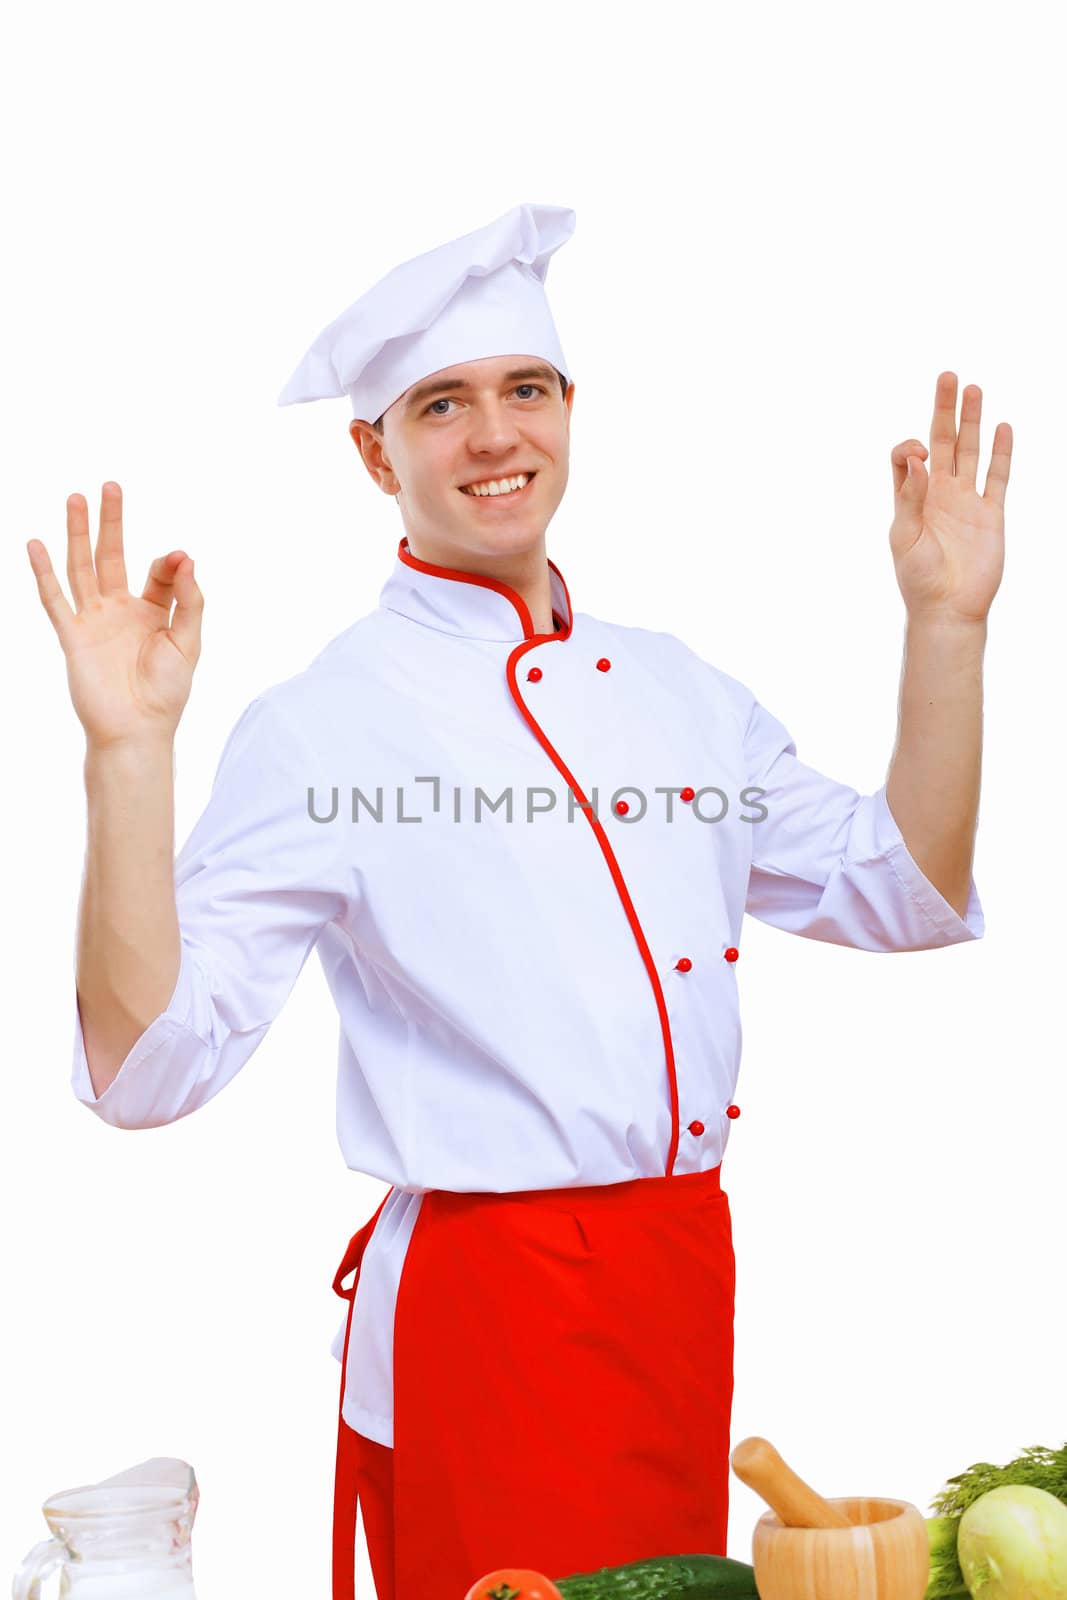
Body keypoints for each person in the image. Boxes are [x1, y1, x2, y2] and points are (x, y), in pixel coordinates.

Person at [26, 201, 1009, 1600]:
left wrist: (947, 628)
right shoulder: (329, 724)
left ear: (568, 409)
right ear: (374, 451)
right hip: (494, 1315)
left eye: (525, 390)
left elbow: (903, 884)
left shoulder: (676, 689)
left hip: (681, 1276)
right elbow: (146, 1067)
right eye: (442, 405)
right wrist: (128, 758)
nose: (496, 438)